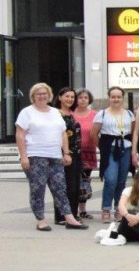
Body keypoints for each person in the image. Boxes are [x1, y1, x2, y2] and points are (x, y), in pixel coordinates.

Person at [16, 82, 87, 231]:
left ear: (49, 96)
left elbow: (63, 133)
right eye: (39, 94)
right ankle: (40, 219)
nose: (42, 96)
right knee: (38, 189)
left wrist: (66, 153)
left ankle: (69, 218)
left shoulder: (55, 112)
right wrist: (24, 156)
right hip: (35, 156)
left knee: (60, 188)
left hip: (55, 156)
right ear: (33, 96)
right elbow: (20, 135)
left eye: (45, 94)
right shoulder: (27, 112)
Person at [92, 86, 134, 223]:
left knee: (121, 181)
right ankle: (106, 208)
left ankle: (119, 208)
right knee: (110, 179)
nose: (116, 99)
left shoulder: (129, 114)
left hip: (125, 149)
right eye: (113, 97)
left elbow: (133, 132)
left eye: (118, 97)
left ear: (122, 98)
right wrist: (103, 147)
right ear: (109, 98)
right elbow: (93, 134)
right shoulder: (102, 114)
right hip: (110, 149)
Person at [53, 87, 82, 226]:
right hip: (62, 154)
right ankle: (61, 216)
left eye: (72, 97)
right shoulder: (55, 114)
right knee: (63, 185)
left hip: (76, 154)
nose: (70, 99)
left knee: (74, 185)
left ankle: (73, 214)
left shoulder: (72, 114)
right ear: (59, 97)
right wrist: (64, 153)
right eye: (67, 96)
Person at [73, 88, 98, 220]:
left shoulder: (94, 114)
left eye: (85, 98)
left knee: (84, 181)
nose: (83, 100)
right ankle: (72, 210)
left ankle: (82, 210)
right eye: (80, 97)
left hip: (88, 152)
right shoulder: (71, 114)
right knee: (73, 181)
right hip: (73, 152)